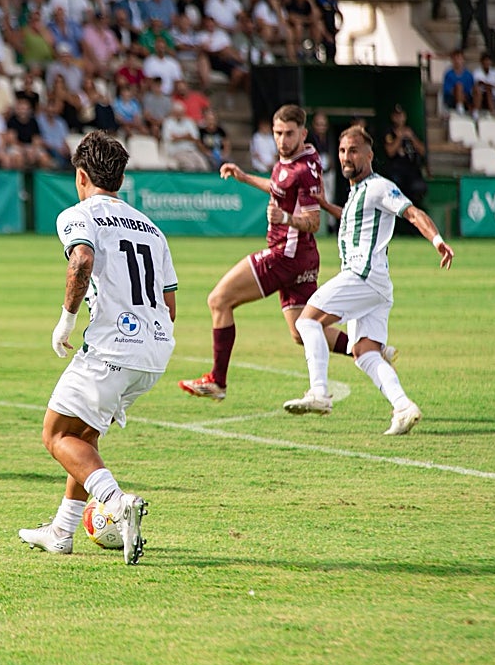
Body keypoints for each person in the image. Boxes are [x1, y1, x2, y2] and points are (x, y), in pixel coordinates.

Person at [18, 131, 176, 565]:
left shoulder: (78, 214)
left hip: (111, 349)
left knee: (56, 434)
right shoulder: (152, 228)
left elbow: (81, 259)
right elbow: (171, 304)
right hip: (155, 351)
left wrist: (67, 319)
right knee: (84, 436)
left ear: (82, 175)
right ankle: (62, 532)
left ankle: (115, 503)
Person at [179, 104, 384, 401]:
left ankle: (217, 381)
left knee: (219, 299)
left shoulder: (304, 169)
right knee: (304, 330)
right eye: (277, 133)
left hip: (285, 255)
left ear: (302, 133)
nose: (282, 140)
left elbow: (314, 223)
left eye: (289, 134)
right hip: (300, 258)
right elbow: (279, 188)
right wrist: (244, 177)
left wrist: (285, 219)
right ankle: (369, 349)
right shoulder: (297, 159)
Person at [283, 125, 453, 435]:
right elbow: (354, 218)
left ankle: (319, 393)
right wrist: (324, 205)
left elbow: (412, 213)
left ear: (369, 155)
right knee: (364, 353)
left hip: (362, 275)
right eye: (343, 151)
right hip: (376, 284)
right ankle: (403, 407)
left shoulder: (378, 187)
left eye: (354, 150)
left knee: (307, 322)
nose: (347, 156)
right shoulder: (356, 194)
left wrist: (437, 240)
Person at [382, 104, 427, 208]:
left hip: (412, 169)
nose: (399, 118)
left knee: (419, 187)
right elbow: (390, 151)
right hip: (396, 169)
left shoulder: (411, 130)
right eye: (397, 116)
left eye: (401, 115)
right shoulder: (389, 133)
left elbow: (423, 151)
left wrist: (412, 138)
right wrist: (400, 137)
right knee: (395, 185)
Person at [442, 50, 474, 114]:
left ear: (463, 60)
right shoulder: (448, 74)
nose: (457, 61)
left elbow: (469, 89)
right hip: (452, 98)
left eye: (459, 59)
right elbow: (447, 90)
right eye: (455, 59)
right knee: (459, 86)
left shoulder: (468, 74)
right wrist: (458, 93)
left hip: (465, 97)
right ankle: (460, 107)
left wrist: (462, 95)